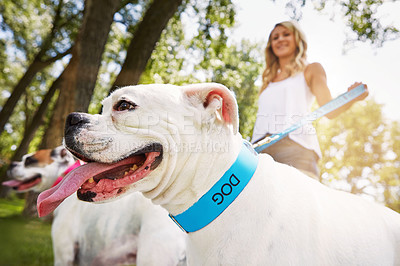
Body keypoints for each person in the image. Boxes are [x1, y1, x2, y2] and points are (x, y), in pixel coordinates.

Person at [251, 21, 369, 179]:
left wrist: (350, 98)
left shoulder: (311, 69)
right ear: (270, 45)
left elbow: (329, 110)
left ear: (297, 39)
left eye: (286, 34)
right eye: (275, 38)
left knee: (298, 202)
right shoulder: (266, 83)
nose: (280, 40)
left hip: (295, 149)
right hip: (259, 151)